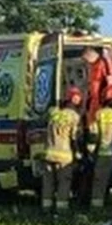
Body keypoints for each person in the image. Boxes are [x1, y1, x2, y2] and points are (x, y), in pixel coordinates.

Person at [42, 86, 83, 214]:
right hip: (64, 157)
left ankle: (46, 208)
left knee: (48, 183)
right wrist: (78, 152)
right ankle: (61, 210)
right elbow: (74, 138)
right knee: (64, 183)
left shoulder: (54, 114)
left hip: (48, 154)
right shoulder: (74, 117)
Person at [88, 83, 112, 209]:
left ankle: (96, 206)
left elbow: (93, 135)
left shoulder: (99, 114)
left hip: (103, 153)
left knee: (99, 181)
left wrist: (91, 152)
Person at [82, 45, 112, 128]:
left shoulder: (104, 63)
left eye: (86, 56)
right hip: (94, 100)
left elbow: (110, 84)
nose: (85, 59)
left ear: (91, 53)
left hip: (101, 101)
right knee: (91, 123)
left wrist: (106, 102)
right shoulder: (92, 66)